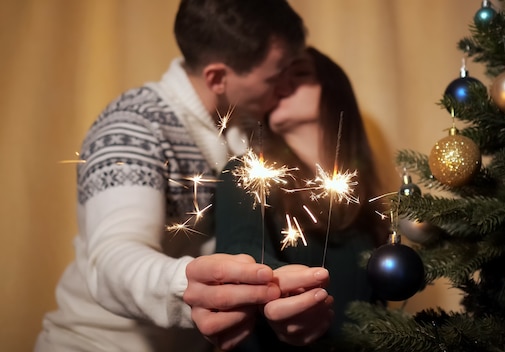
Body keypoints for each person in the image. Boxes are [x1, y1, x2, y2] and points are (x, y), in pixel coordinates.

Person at [35, 1, 333, 351]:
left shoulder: (251, 127)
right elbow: (113, 258)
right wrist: (186, 287)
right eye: (274, 76)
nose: (285, 88)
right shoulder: (133, 126)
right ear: (217, 78)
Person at [214, 47, 390, 351]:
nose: (282, 84)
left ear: (335, 91)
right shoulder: (246, 173)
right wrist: (278, 285)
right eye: (275, 78)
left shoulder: (367, 205)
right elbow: (240, 251)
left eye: (300, 74)